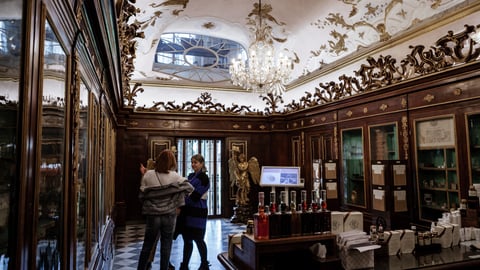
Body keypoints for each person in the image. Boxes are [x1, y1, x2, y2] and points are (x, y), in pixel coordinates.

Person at [137, 150, 194, 270]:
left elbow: (142, 195)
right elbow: (189, 188)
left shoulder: (148, 174)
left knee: (147, 245)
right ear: (172, 162)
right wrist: (174, 198)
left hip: (153, 215)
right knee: (166, 246)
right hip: (169, 214)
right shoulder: (174, 176)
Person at [178, 154, 210, 270]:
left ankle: (204, 264)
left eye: (195, 162)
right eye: (192, 162)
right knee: (187, 240)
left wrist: (186, 195)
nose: (193, 164)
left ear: (201, 164)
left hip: (198, 212)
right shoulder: (190, 176)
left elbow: (196, 196)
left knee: (199, 239)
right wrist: (187, 194)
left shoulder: (204, 177)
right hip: (187, 212)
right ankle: (185, 265)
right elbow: (184, 192)